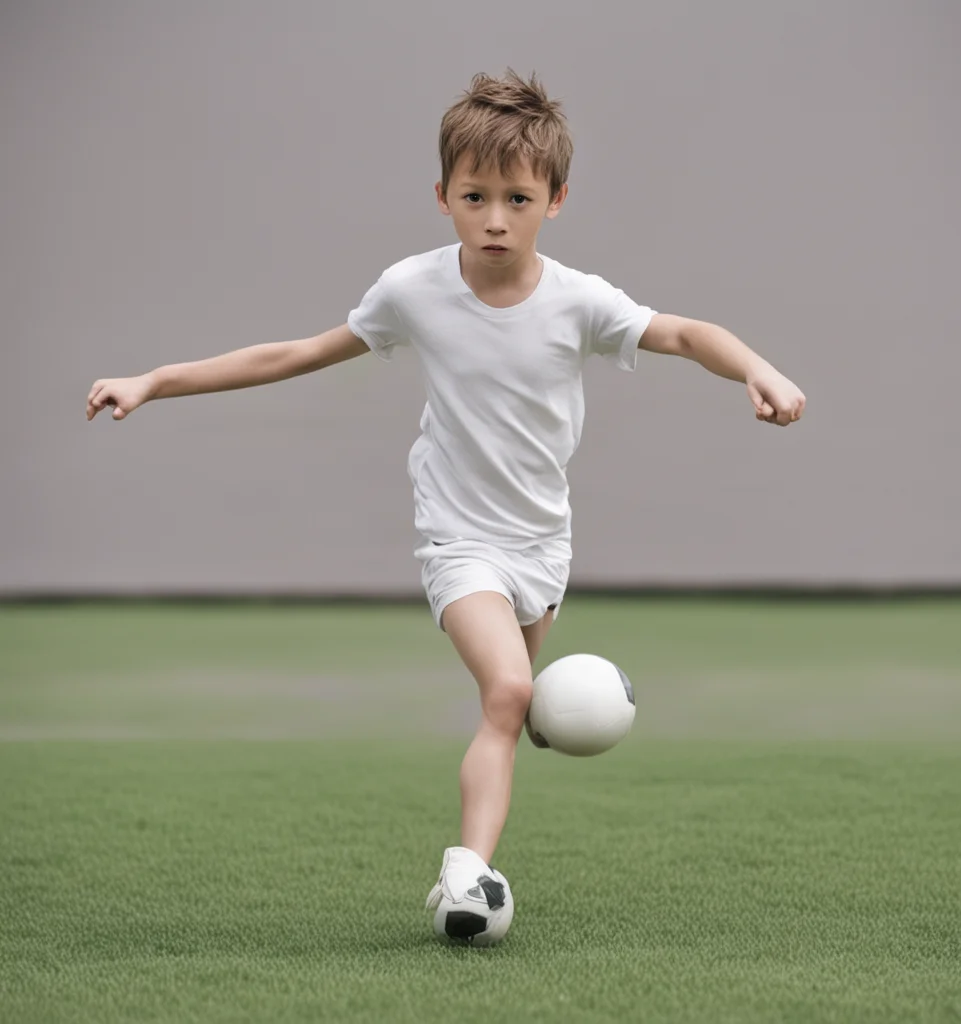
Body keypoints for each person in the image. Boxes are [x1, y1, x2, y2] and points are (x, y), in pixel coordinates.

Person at [85, 68, 806, 929]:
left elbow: (687, 334)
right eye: (474, 196)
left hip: (543, 543)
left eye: (517, 197)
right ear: (442, 196)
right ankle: (468, 877)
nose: (495, 218)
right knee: (506, 692)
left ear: (556, 200)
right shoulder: (413, 290)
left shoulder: (579, 302)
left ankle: (477, 853)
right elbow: (293, 355)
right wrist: (155, 380)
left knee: (522, 713)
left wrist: (758, 367)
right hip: (458, 539)